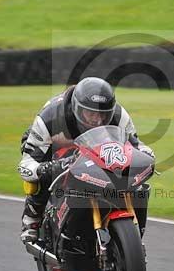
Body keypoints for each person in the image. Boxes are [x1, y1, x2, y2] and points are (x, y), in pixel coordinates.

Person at [17, 77, 154, 243]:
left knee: (135, 183)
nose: (97, 120)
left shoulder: (119, 115)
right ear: (77, 109)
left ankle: (135, 235)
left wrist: (146, 155)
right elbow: (26, 165)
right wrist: (47, 168)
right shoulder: (50, 117)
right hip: (55, 147)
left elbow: (135, 145)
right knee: (41, 177)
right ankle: (31, 218)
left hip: (97, 148)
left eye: (103, 115)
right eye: (91, 113)